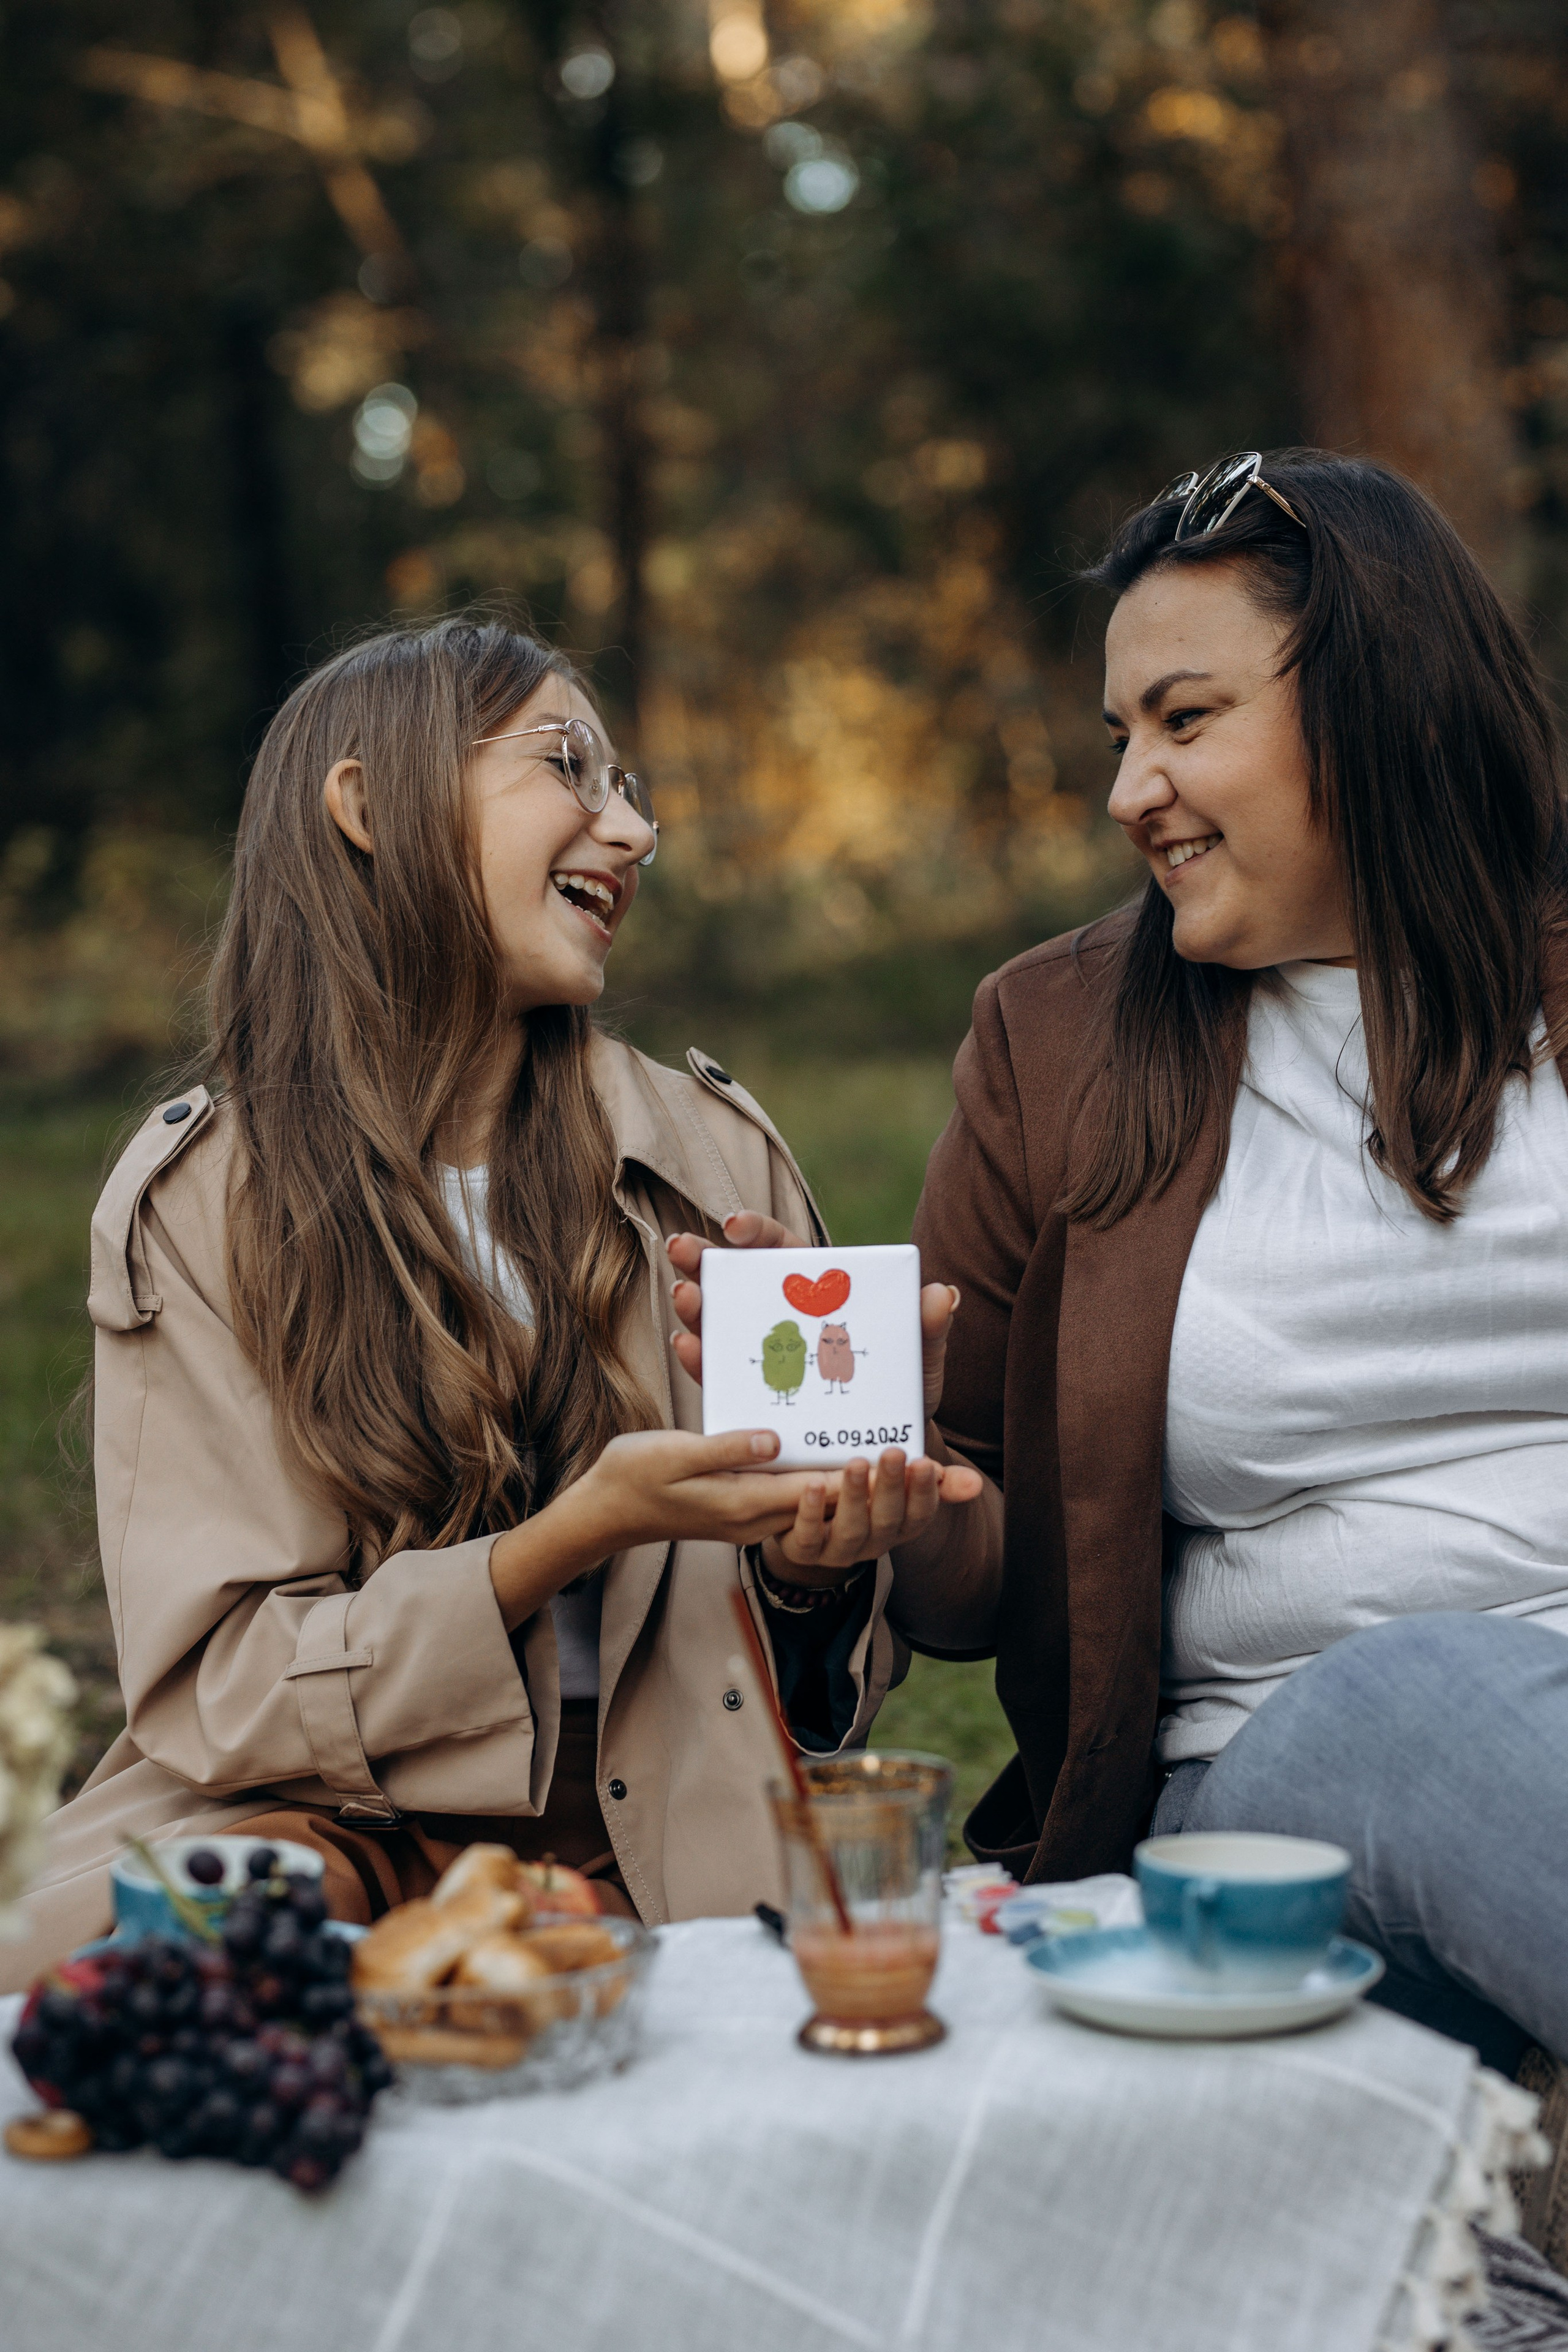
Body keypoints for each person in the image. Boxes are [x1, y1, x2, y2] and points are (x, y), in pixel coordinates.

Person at [2, 617, 984, 1991]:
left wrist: (813, 1564)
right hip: (312, 1828)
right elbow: (223, 1691)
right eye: (569, 765)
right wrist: (570, 1538)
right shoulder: (199, 1202)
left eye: (630, 787)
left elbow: (818, 1693)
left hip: (665, 1859)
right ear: (364, 805)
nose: (631, 830)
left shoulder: (714, 1155)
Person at [907, 450, 1568, 2070]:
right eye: (1124, 735)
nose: (1130, 788)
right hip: (1273, 1798)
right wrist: (904, 1509)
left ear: (1375, 703)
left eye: (1184, 721)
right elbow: (959, 1555)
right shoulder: (1054, 1044)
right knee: (1413, 1701)